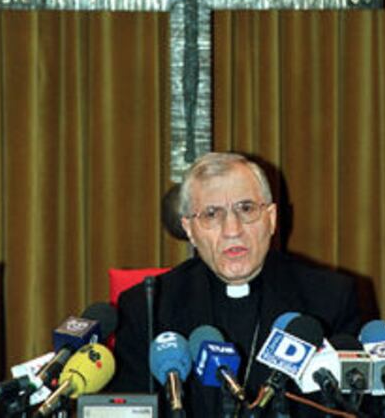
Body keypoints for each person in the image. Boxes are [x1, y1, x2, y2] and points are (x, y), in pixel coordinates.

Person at [110, 152, 362, 416]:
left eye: (246, 209)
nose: (232, 229)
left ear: (272, 218)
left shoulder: (329, 299)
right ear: (190, 230)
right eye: (211, 214)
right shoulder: (148, 309)